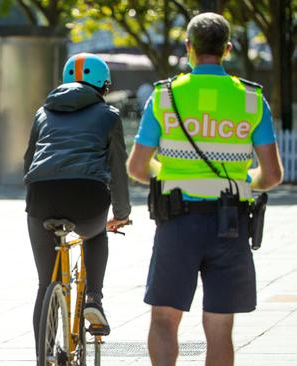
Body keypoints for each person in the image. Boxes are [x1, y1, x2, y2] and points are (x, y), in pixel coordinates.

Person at [126, 12, 283, 366]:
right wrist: (244, 182)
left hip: (177, 221)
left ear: (189, 48)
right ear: (227, 49)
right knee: (219, 327)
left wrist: (169, 176)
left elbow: (137, 167)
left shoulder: (165, 98)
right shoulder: (251, 100)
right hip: (231, 223)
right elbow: (271, 175)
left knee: (164, 319)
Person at [23, 52, 131, 355]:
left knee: (46, 283)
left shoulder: (42, 112)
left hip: (41, 196)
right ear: (103, 86)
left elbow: (28, 161)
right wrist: (121, 214)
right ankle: (93, 299)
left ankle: (43, 356)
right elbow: (117, 167)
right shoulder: (109, 115)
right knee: (95, 234)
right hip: (87, 196)